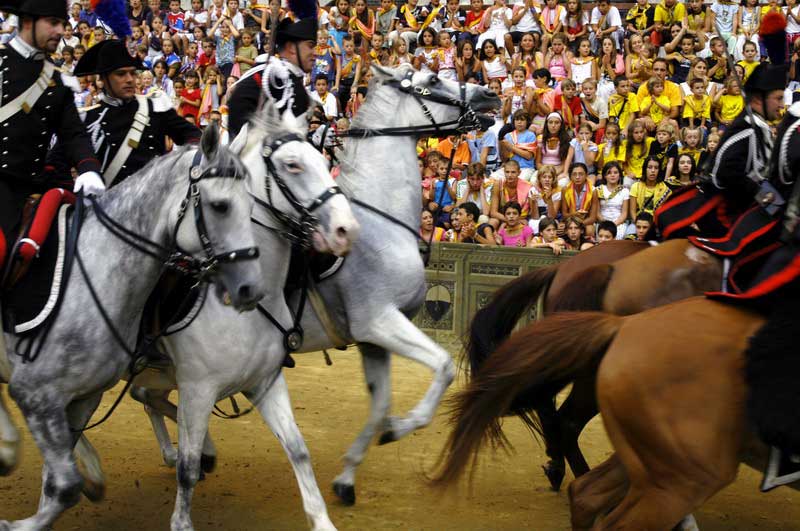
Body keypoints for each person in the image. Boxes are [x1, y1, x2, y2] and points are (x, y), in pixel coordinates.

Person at [0, 0, 102, 269]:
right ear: (28, 22)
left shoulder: (59, 80)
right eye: (53, 23)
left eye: (62, 23)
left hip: (33, 186)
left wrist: (89, 168)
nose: (60, 30)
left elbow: (74, 134)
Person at [656, 62, 787, 240]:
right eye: (778, 99)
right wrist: (766, 197)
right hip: (723, 210)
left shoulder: (756, 125)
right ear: (757, 99)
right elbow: (728, 171)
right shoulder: (747, 129)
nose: (782, 104)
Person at [72, 40, 201, 187]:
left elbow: (193, 136)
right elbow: (58, 163)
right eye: (121, 74)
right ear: (103, 78)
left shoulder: (155, 107)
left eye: (133, 73)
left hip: (154, 197)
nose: (129, 80)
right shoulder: (89, 118)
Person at [228, 2, 317, 135]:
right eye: (310, 46)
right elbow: (236, 102)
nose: (315, 53)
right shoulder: (275, 74)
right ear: (292, 48)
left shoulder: (292, 80)